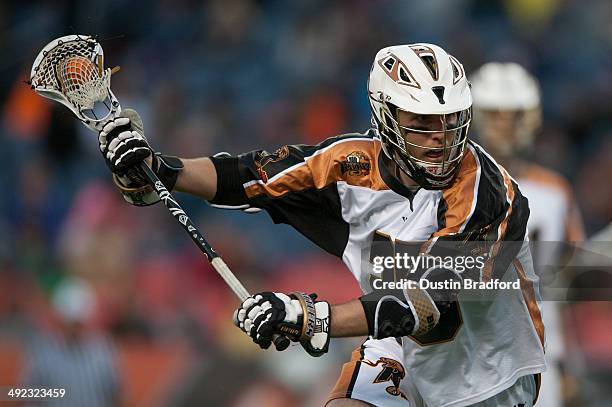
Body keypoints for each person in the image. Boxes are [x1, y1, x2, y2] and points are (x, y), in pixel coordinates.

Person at [97, 44, 546, 406]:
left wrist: (309, 318)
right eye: (422, 124)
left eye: (450, 124)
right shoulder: (343, 164)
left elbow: (426, 305)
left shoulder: (491, 194)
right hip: (396, 349)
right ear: (386, 119)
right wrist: (157, 167)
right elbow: (242, 177)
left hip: (490, 376)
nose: (439, 139)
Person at [470, 62, 585, 407]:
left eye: (514, 115)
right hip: (469, 350)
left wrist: (567, 362)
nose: (505, 127)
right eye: (495, 115)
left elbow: (564, 286)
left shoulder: (555, 192)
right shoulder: (449, 189)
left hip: (538, 351)